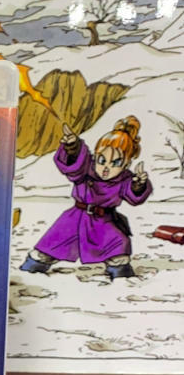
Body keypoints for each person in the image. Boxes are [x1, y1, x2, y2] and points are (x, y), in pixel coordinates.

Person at [20, 117, 152, 279]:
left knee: (117, 244)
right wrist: (72, 147)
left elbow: (133, 196)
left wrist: (138, 185)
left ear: (126, 164)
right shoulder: (86, 169)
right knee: (53, 242)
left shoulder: (124, 179)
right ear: (95, 156)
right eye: (102, 160)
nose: (106, 167)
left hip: (104, 221)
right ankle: (36, 264)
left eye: (116, 163)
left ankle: (119, 269)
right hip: (75, 218)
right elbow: (73, 165)